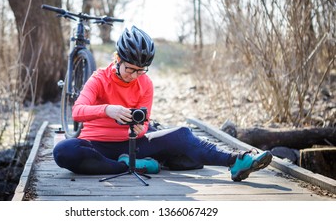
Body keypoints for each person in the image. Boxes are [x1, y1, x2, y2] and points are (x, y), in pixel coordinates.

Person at [53, 26, 273, 182]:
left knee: (183, 134)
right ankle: (130, 166)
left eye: (140, 70)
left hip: (133, 144)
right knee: (63, 151)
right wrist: (108, 110)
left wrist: (142, 127)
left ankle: (237, 161)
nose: (134, 75)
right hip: (96, 145)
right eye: (130, 68)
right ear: (117, 59)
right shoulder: (99, 78)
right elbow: (78, 111)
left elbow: (145, 122)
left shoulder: (145, 84)